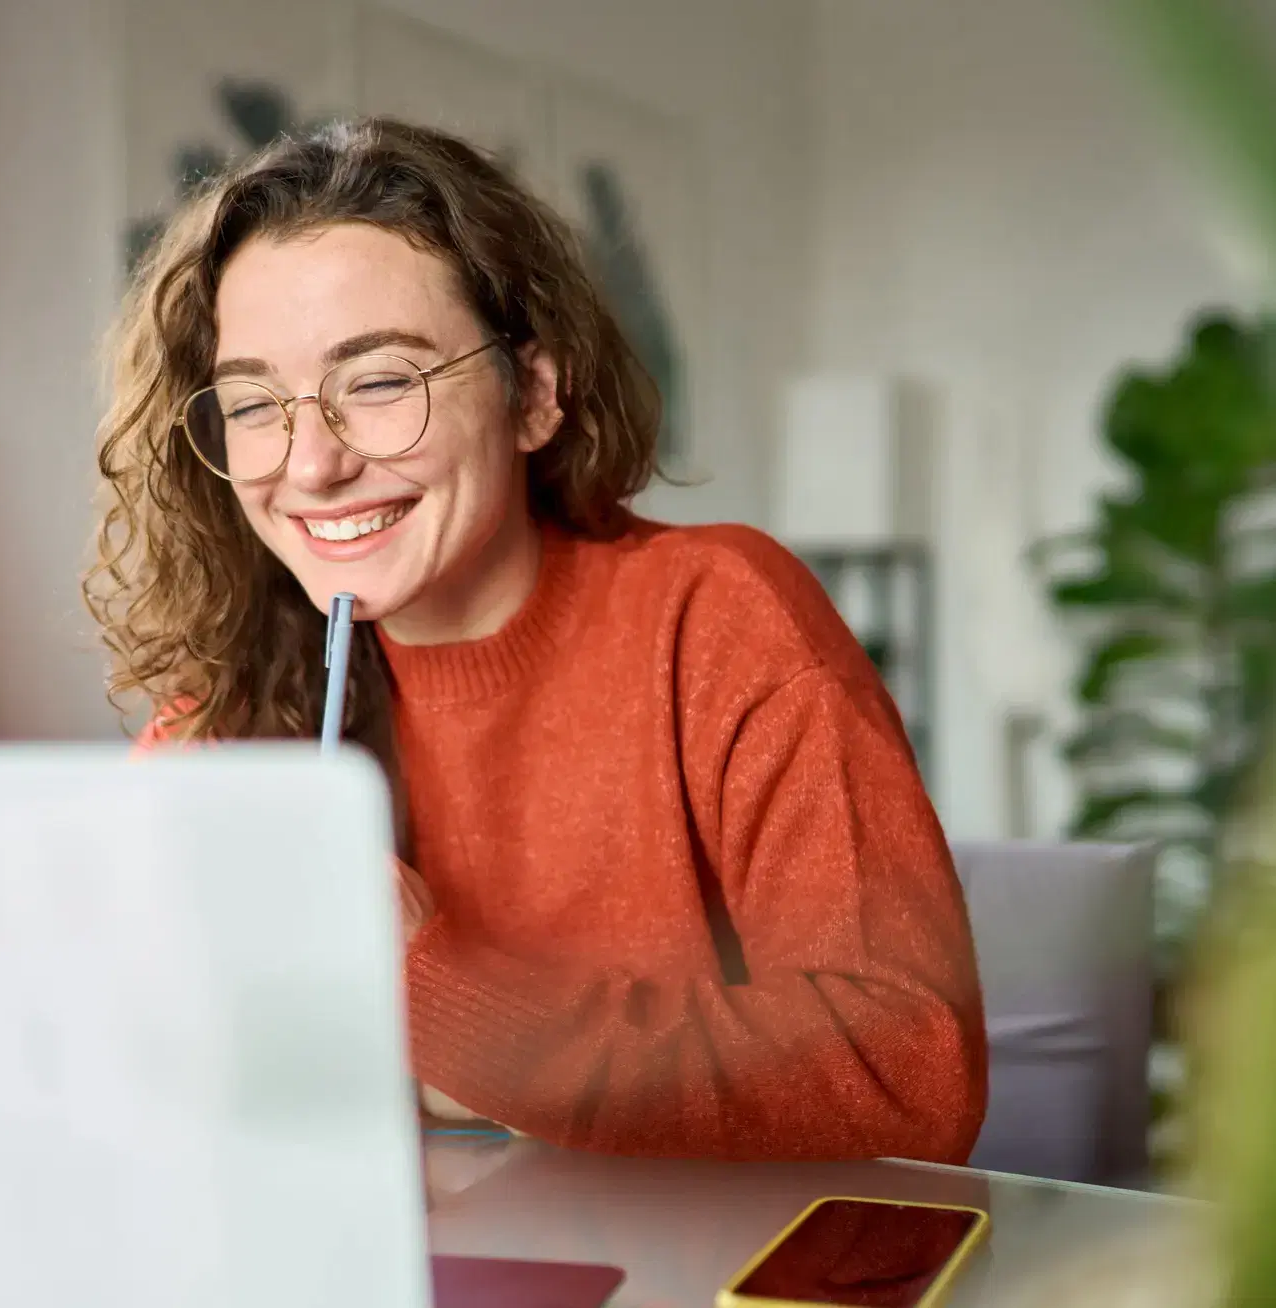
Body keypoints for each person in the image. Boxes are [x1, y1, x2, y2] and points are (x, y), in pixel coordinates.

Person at [86, 117, 986, 1162]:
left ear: (536, 395)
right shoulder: (237, 697)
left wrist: (428, 989)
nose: (311, 463)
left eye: (378, 382)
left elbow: (911, 1073)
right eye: (253, 405)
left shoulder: (719, 617)